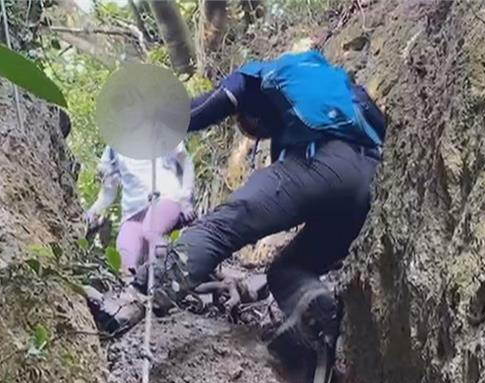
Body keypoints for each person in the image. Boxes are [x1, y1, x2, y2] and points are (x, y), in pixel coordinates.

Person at [135, 48, 388, 364]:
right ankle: (312, 315)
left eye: (252, 129)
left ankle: (146, 290)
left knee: (220, 227)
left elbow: (211, 106)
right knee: (289, 270)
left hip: (320, 162)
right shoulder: (337, 85)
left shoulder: (254, 73)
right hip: (372, 182)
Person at [84, 142, 196, 275]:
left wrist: (186, 198)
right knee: (125, 260)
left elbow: (185, 161)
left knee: (151, 232)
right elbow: (109, 191)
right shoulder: (113, 149)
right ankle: (137, 289)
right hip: (133, 213)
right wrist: (92, 211)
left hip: (166, 198)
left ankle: (177, 273)